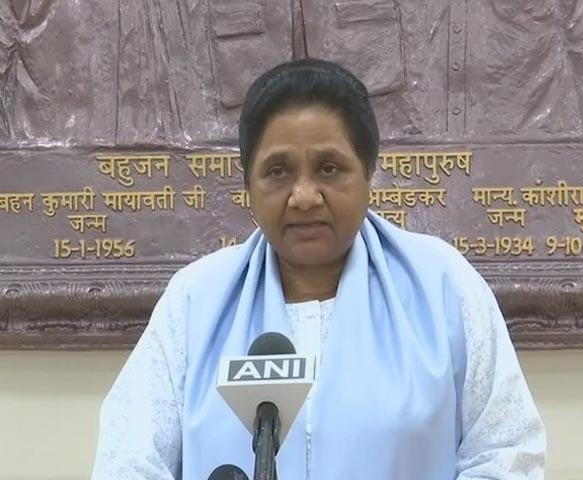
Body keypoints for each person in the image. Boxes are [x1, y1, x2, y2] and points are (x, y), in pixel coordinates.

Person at [91, 58, 546, 479]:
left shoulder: (441, 284)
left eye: (329, 168)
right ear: (247, 183)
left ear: (368, 172)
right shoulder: (196, 301)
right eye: (278, 171)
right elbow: (129, 461)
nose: (304, 196)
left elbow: (505, 451)